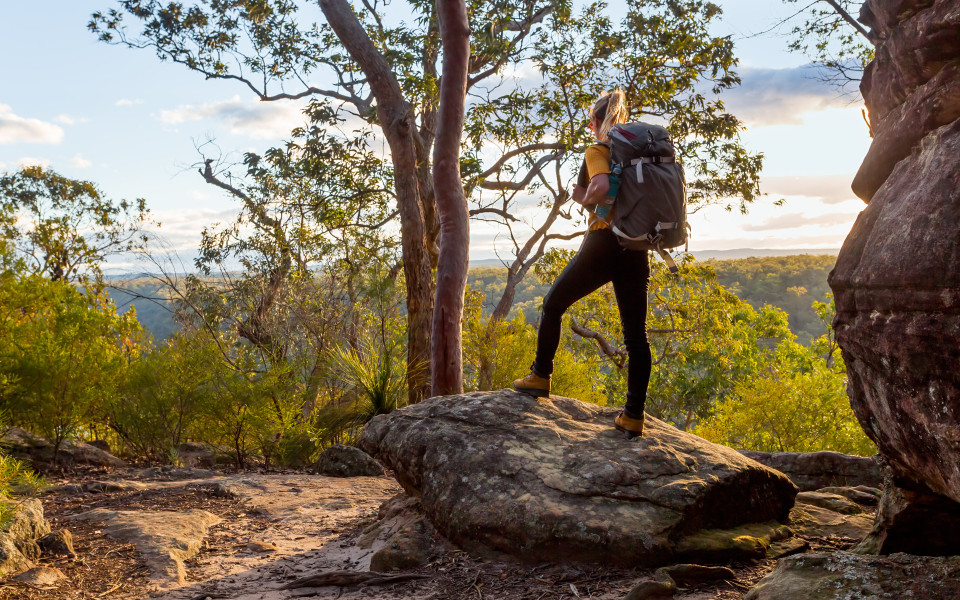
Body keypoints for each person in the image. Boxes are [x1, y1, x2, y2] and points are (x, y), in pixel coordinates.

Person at [512, 88, 651, 438]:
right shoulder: (637, 156)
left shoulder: (599, 149)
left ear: (595, 123)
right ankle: (634, 415)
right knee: (636, 337)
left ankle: (540, 376)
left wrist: (583, 198)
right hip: (635, 248)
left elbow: (602, 188)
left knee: (552, 304)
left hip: (604, 243)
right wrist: (592, 202)